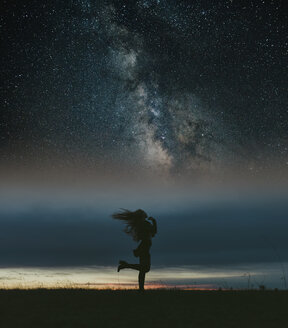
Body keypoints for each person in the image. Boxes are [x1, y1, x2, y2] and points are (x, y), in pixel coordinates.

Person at [112, 209, 157, 291]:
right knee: (145, 268)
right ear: (142, 216)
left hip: (144, 245)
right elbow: (154, 231)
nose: (145, 215)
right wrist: (154, 221)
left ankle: (141, 288)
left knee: (143, 269)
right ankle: (126, 266)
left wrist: (153, 224)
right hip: (145, 245)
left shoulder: (142, 224)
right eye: (144, 215)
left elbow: (153, 233)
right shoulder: (144, 224)